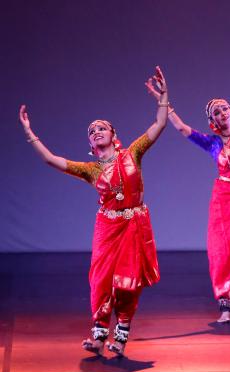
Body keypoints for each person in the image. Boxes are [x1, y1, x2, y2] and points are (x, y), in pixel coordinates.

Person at [18, 66, 169, 356]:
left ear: (114, 134)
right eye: (91, 131)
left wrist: (164, 96)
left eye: (102, 128)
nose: (97, 131)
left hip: (134, 226)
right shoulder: (89, 170)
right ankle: (99, 333)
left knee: (128, 282)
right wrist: (29, 132)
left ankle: (121, 335)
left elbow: (159, 124)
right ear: (90, 144)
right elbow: (51, 159)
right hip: (107, 229)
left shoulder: (133, 153)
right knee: (100, 279)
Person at [146, 64, 230, 323]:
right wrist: (163, 100)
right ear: (213, 122)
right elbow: (183, 128)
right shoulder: (213, 143)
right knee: (223, 250)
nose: (221, 113)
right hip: (224, 200)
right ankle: (225, 304)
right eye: (216, 112)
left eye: (224, 108)